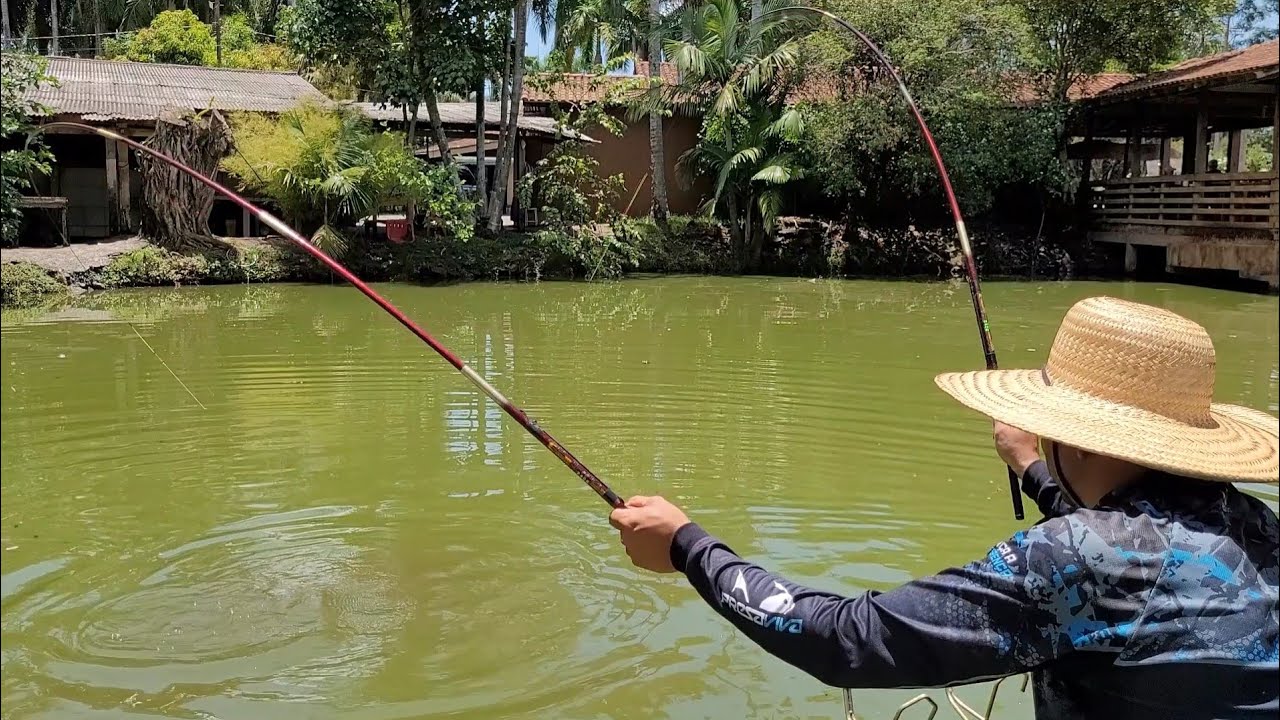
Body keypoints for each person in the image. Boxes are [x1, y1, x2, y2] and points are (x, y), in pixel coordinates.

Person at [609, 296, 1279, 719]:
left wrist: (686, 546)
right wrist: (1033, 468)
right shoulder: (1254, 525)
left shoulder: (1079, 557)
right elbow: (1128, 547)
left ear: (1074, 433)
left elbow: (848, 639)